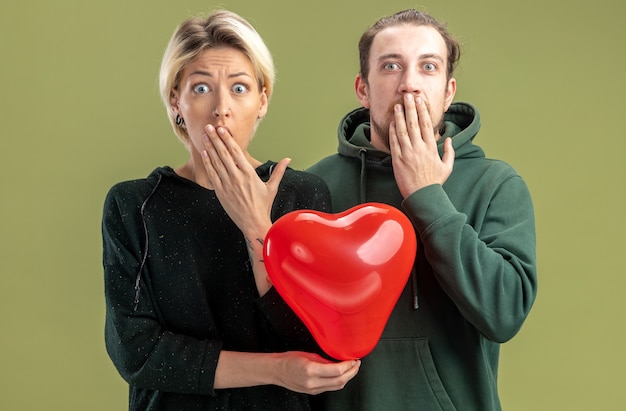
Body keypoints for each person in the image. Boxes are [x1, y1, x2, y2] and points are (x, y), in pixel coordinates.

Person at [101, 10, 359, 410]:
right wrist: (275, 370)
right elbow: (138, 353)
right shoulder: (133, 205)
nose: (221, 108)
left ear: (262, 101)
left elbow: (309, 340)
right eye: (201, 88)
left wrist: (257, 226)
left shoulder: (302, 194)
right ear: (176, 100)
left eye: (239, 89)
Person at [307, 9, 537, 411]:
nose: (409, 84)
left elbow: (504, 313)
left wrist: (427, 194)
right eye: (391, 65)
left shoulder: (495, 183)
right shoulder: (314, 186)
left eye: (427, 67)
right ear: (363, 88)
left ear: (448, 91)